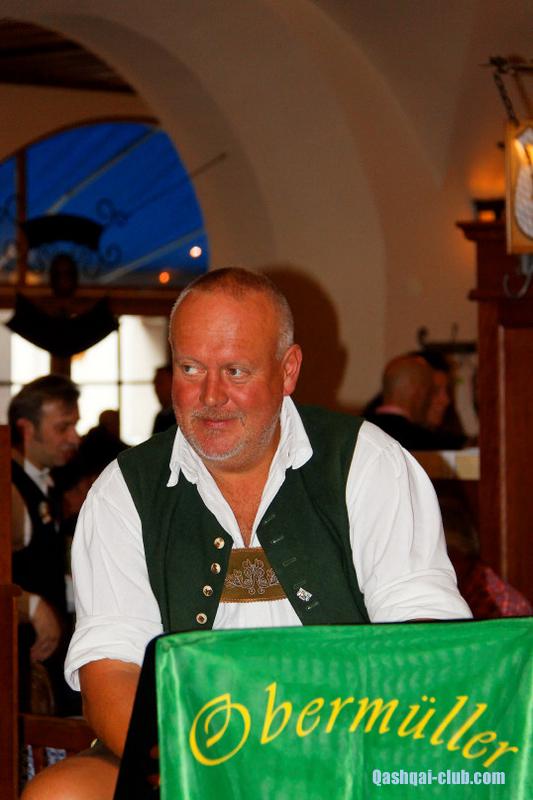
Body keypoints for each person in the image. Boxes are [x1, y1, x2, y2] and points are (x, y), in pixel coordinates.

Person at [23, 269, 471, 799]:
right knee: (60, 794)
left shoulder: (366, 462)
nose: (211, 396)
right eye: (191, 368)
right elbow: (111, 671)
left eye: (235, 371)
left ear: (288, 370)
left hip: (345, 748)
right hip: (182, 748)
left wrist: (331, 761)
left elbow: (423, 637)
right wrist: (207, 769)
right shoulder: (126, 489)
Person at [9, 374, 80, 714]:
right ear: (26, 429)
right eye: (63, 428)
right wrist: (32, 605)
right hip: (19, 662)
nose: (74, 438)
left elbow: (44, 562)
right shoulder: (8, 486)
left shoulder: (47, 479)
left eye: (74, 426)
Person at [365, 354, 461, 450]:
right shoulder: (424, 442)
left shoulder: (361, 430)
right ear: (417, 392)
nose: (446, 400)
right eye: (432, 391)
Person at [151, 364, 175, 433]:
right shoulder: (161, 416)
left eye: (161, 383)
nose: (157, 388)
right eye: (155, 383)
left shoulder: (181, 417)